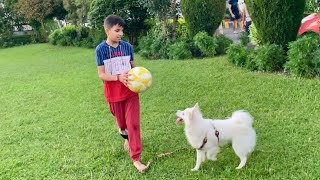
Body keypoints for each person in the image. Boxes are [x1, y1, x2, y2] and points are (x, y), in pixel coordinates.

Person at [95, 15, 148, 173]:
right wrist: (118, 77)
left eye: (122, 31)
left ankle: (136, 158)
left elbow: (134, 67)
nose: (120, 34)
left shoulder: (127, 47)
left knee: (133, 124)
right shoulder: (101, 50)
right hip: (113, 94)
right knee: (123, 126)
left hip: (130, 92)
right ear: (107, 30)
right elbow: (101, 75)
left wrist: (141, 80)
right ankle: (125, 136)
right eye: (117, 30)